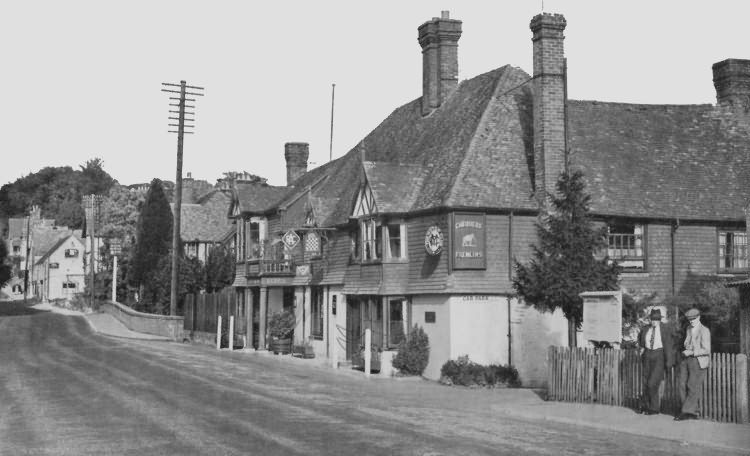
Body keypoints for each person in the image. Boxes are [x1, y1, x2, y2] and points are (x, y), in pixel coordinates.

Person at [674, 308, 711, 421]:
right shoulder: (689, 328)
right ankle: (691, 410)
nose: (691, 322)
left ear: (699, 317)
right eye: (689, 320)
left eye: (693, 319)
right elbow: (686, 342)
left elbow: (706, 350)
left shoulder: (704, 330)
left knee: (692, 386)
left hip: (698, 360)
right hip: (686, 359)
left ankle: (686, 411)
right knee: (681, 384)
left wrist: (692, 352)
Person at [637, 308, 673, 415]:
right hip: (647, 355)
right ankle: (647, 407)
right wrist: (641, 349)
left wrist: (669, 363)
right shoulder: (645, 329)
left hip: (659, 356)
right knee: (646, 382)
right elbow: (641, 342)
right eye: (652, 319)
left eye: (656, 320)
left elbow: (669, 346)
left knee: (652, 383)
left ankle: (651, 407)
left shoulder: (665, 329)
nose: (654, 321)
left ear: (659, 320)